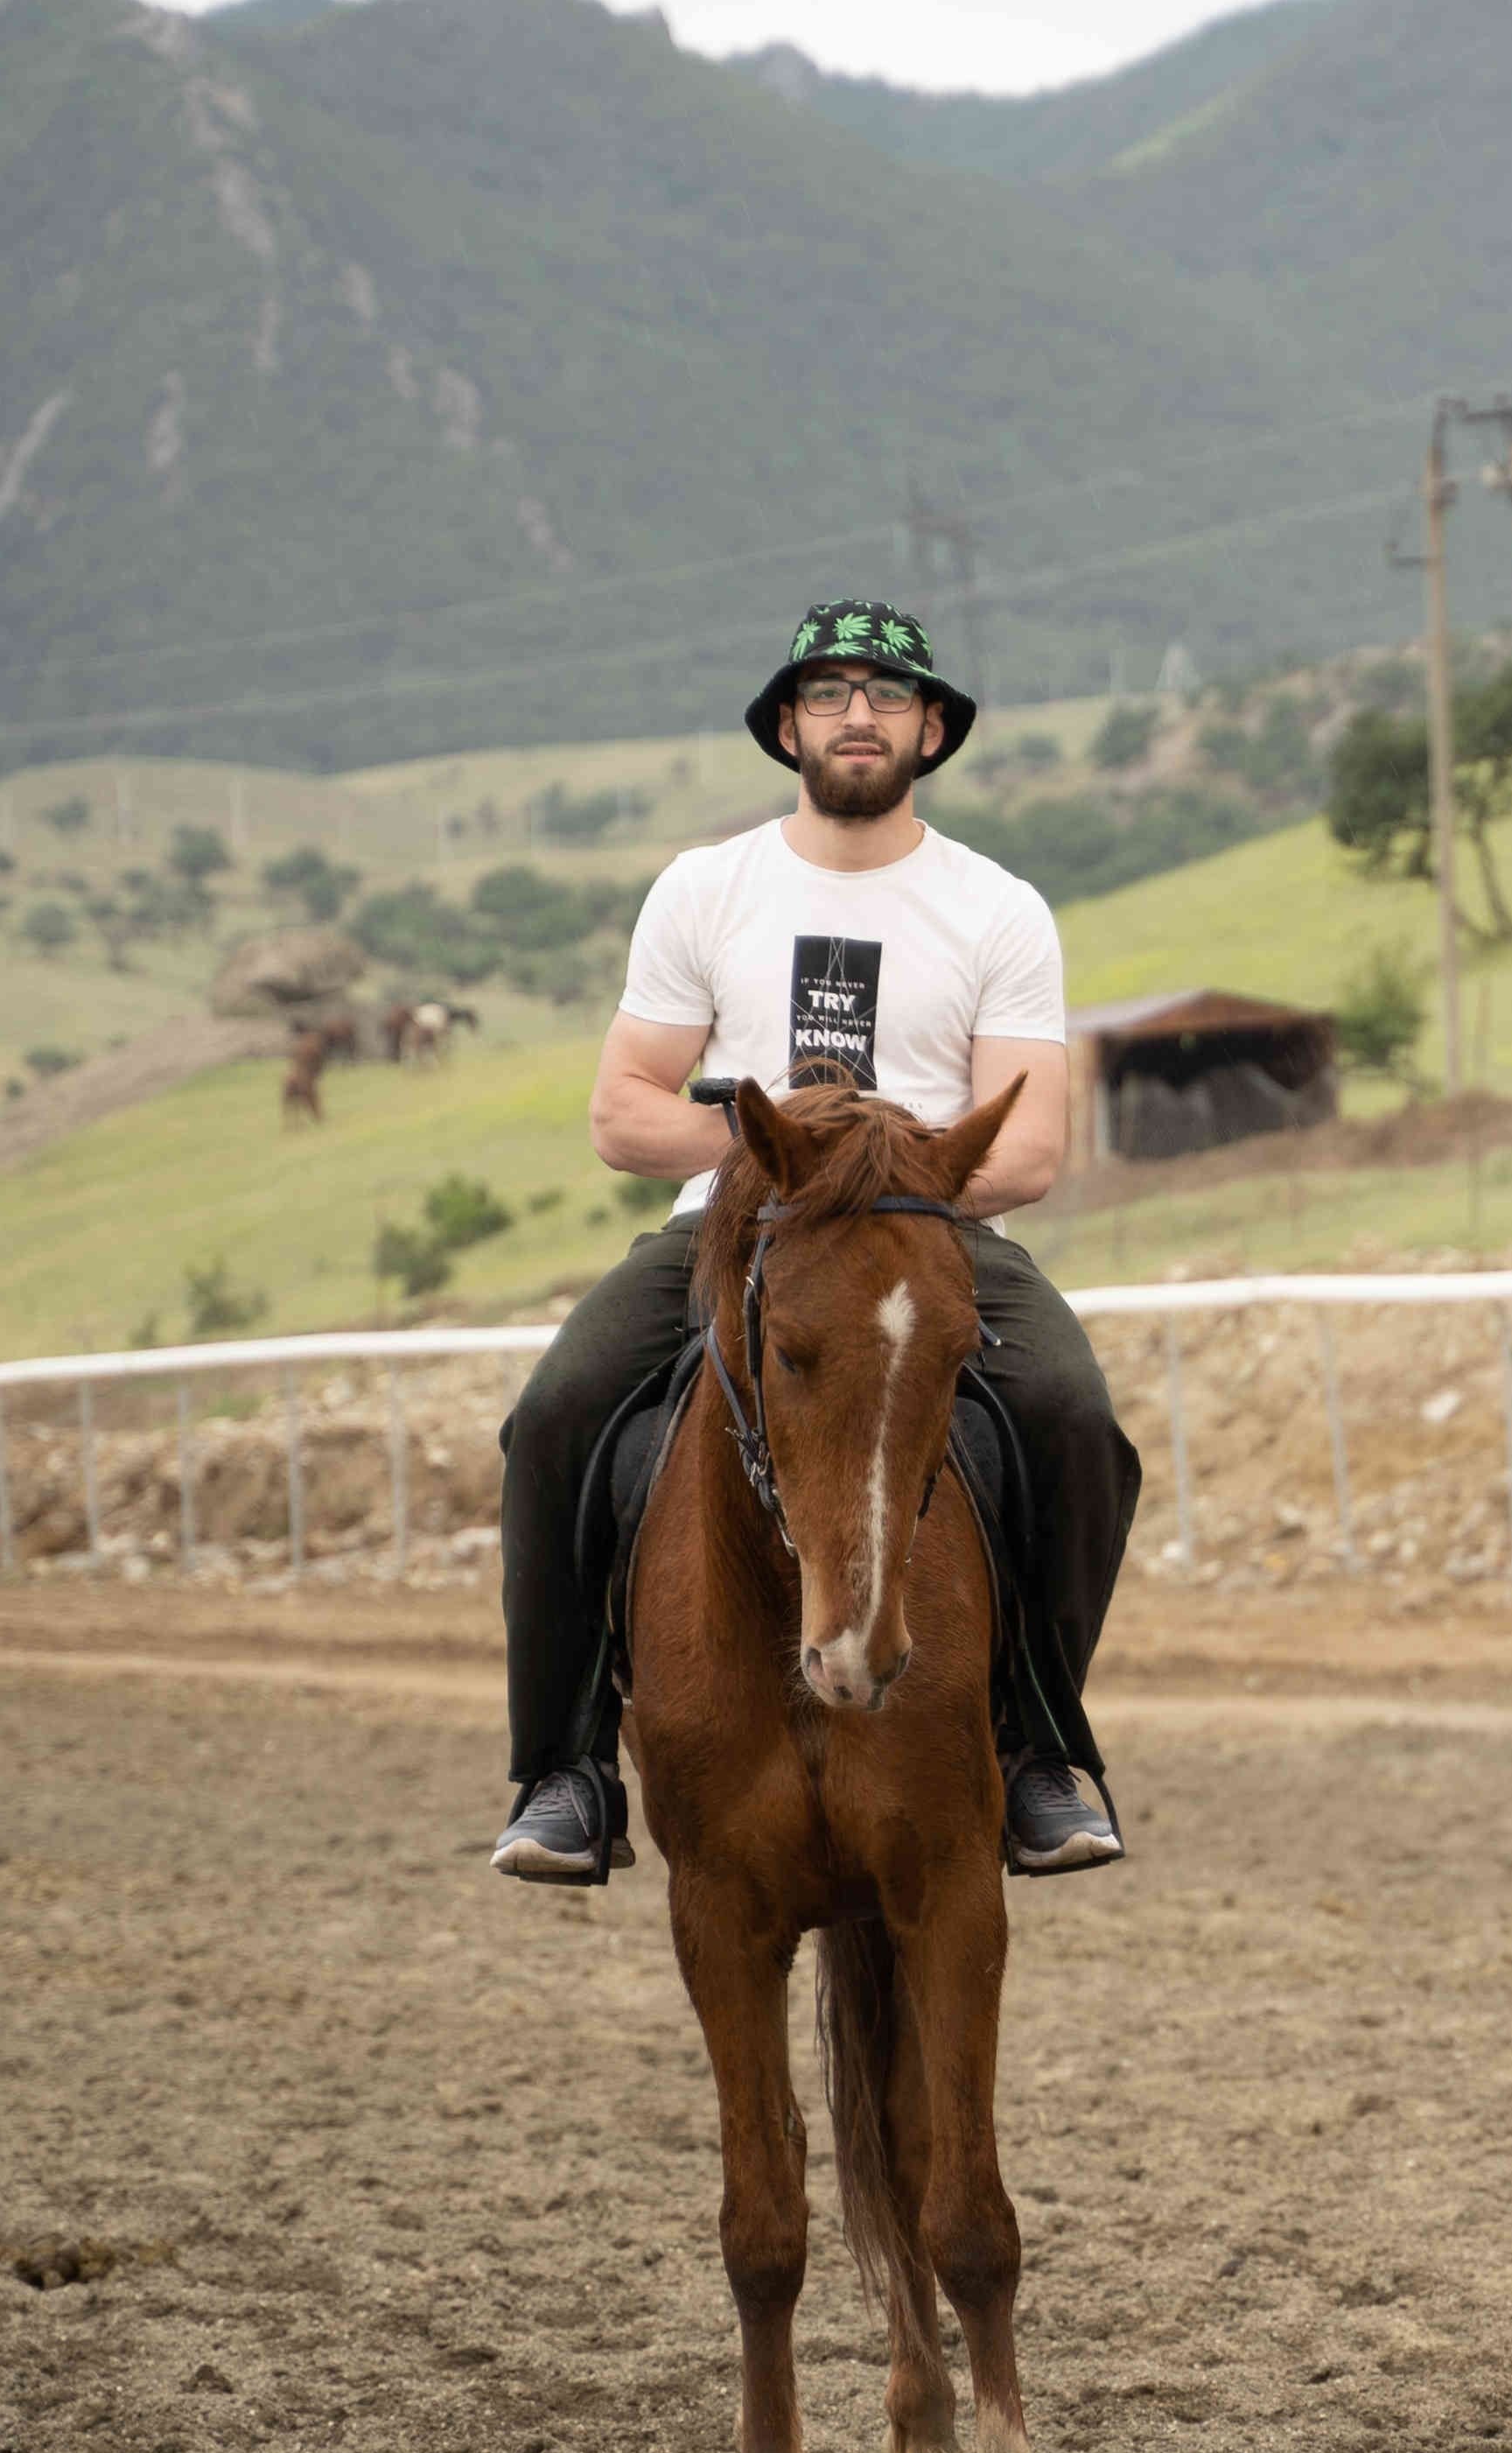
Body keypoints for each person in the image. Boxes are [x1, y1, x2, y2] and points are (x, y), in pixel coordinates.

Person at [487, 598, 1141, 1887]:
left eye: (888, 695)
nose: (859, 714)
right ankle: (562, 1767)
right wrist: (777, 1166)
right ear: (786, 726)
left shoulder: (998, 908)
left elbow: (1028, 1151)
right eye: (830, 692)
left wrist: (875, 1181)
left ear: (932, 729)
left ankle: (1036, 1748)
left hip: (927, 1235)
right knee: (554, 1413)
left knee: (1072, 1418)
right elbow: (624, 1112)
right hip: (729, 1226)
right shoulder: (704, 886)